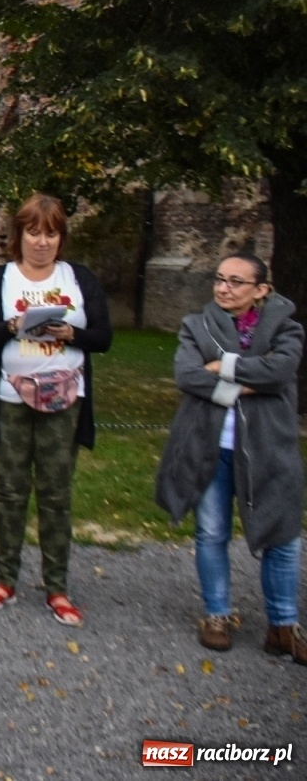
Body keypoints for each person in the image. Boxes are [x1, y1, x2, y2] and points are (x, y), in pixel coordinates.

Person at [155, 251, 306, 663]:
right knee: (211, 533)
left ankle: (283, 625)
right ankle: (217, 615)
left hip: (268, 449)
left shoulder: (286, 329)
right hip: (209, 449)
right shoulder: (196, 325)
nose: (223, 287)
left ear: (261, 291)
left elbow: (280, 372)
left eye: (236, 281)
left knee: (283, 537)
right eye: (219, 278)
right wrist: (246, 384)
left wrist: (223, 366)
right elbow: (187, 375)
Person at [0, 194, 112, 627]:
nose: (42, 242)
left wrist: (70, 332)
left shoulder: (78, 279)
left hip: (64, 400)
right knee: (10, 492)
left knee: (56, 495)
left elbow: (103, 337)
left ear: (61, 238)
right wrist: (15, 325)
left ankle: (57, 587)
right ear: (20, 235)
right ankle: (5, 579)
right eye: (33, 232)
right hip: (11, 400)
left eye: (51, 233)